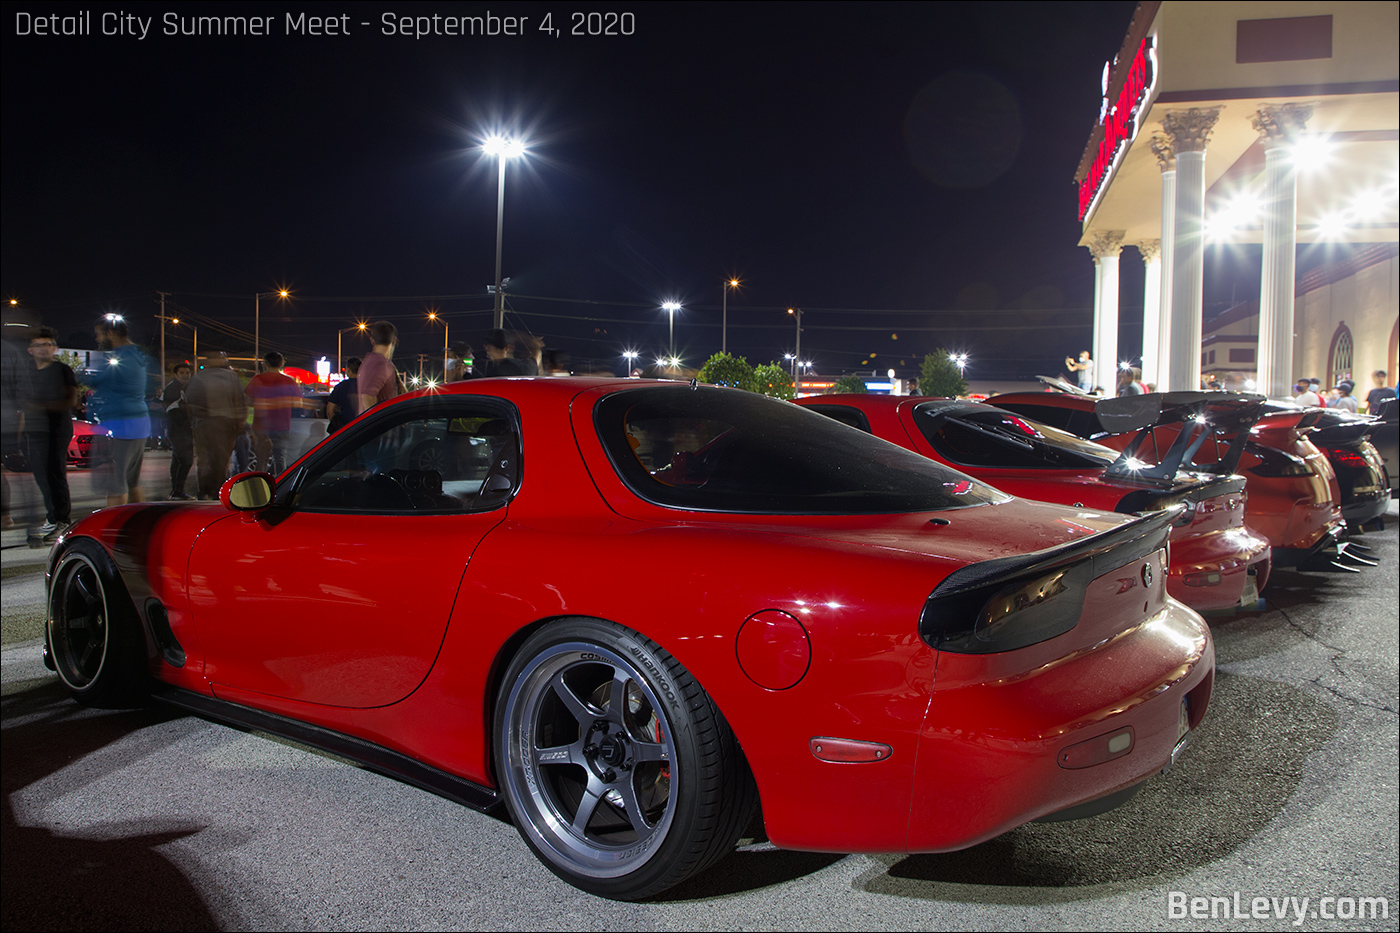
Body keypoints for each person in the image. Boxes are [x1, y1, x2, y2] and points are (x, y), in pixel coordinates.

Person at [84, 315, 150, 507]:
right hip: (138, 421)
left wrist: (78, 376)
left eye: (98, 335)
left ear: (110, 334)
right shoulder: (137, 355)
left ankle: (114, 528)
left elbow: (98, 381)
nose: (97, 339)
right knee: (131, 480)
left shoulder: (122, 358)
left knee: (116, 481)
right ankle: (139, 520)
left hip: (122, 423)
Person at [25, 326, 77, 536]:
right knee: (40, 474)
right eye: (38, 345)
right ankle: (52, 516)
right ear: (30, 350)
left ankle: (62, 519)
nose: (43, 349)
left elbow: (71, 399)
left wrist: (41, 406)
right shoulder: (26, 371)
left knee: (55, 473)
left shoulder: (62, 370)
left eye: (47, 345)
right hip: (34, 430)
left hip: (57, 429)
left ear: (54, 348)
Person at [185, 351, 247, 499]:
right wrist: (240, 422)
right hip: (225, 424)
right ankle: (218, 491)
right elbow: (239, 401)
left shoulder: (198, 377)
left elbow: (190, 403)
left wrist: (193, 423)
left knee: (204, 459)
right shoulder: (231, 377)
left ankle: (203, 491)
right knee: (221, 459)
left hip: (203, 424)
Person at [245, 351, 301, 475]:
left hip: (261, 426)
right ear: (281, 364)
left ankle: (261, 487)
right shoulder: (289, 381)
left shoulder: (257, 379)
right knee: (280, 458)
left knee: (261, 459)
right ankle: (280, 487)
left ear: (265, 364)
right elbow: (298, 403)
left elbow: (248, 401)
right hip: (282, 425)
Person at [161, 362, 195, 498]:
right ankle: (178, 490)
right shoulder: (172, 390)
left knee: (177, 460)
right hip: (177, 430)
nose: (185, 375)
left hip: (181, 430)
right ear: (175, 374)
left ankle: (176, 490)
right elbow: (173, 412)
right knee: (186, 460)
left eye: (187, 373)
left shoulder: (185, 388)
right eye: (182, 373)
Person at [357, 321, 401, 415]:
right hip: (381, 428)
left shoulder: (368, 362)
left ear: (372, 340)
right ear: (395, 341)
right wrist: (380, 425)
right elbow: (367, 397)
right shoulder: (381, 364)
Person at [325, 357, 360, 434]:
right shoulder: (367, 386)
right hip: (362, 427)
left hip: (344, 430)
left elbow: (329, 411)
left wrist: (337, 425)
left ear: (348, 369)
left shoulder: (340, 387)